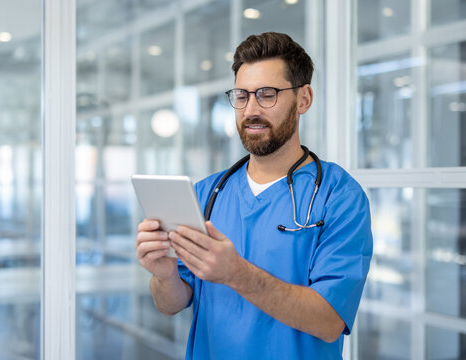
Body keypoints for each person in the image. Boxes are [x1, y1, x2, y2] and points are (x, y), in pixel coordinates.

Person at [135, 32, 373, 360]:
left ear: (304, 99)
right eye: (241, 95)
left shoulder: (340, 197)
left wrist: (236, 273)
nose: (250, 110)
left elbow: (330, 320)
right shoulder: (206, 194)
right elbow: (170, 304)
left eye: (267, 94)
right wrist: (164, 274)